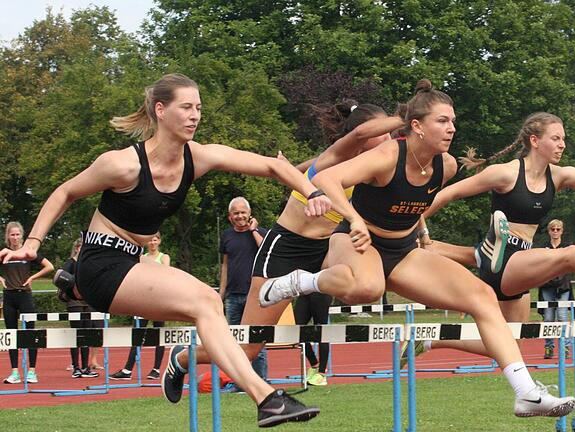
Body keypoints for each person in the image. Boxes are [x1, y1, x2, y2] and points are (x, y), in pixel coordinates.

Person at [0, 73, 331, 427]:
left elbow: (271, 165)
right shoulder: (123, 164)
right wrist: (32, 245)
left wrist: (312, 193)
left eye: (199, 108)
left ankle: (182, 359)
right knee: (206, 300)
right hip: (101, 262)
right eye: (186, 107)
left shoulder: (197, 157)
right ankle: (266, 398)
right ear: (160, 110)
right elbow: (65, 191)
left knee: (206, 307)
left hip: (131, 261)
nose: (195, 116)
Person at [259, 80, 575, 418]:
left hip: (403, 251)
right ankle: (300, 281)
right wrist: (352, 219)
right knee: (367, 288)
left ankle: (526, 392)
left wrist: (422, 233)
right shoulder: (387, 155)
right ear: (416, 127)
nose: (452, 128)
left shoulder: (447, 166)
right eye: (442, 121)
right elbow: (326, 179)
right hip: (358, 239)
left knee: (482, 296)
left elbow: (414, 205)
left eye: (453, 121)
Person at [169, 99, 404, 390]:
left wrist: (289, 169)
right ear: (366, 133)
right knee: (248, 348)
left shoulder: (372, 169)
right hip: (286, 248)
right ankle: (181, 358)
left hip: (327, 250)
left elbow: (303, 168)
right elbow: (351, 139)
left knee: (364, 282)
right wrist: (405, 117)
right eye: (386, 132)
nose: (391, 139)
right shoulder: (340, 153)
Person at [412, 111, 575, 361]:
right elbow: (446, 195)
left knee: (508, 344)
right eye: (556, 138)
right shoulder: (505, 173)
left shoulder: (558, 175)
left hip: (521, 264)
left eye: (563, 138)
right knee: (568, 255)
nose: (562, 144)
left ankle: (431, 340)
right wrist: (415, 226)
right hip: (502, 260)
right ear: (534, 141)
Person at [219, 197, 268, 382]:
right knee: (235, 343)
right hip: (233, 295)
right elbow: (225, 265)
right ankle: (241, 382)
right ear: (230, 216)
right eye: (236, 213)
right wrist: (221, 294)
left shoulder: (261, 233)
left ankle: (261, 381)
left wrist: (254, 230)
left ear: (249, 213)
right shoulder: (226, 236)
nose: (240, 216)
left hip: (255, 296)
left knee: (256, 343)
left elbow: (266, 251)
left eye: (243, 212)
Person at [109, 232, 171, 381]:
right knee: (138, 335)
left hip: (159, 301)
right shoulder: (141, 256)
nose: (152, 242)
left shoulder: (163, 257)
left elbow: (166, 274)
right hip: (143, 301)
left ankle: (156, 369)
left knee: (159, 335)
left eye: (155, 240)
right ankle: (127, 369)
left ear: (159, 241)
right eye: (150, 240)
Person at [1, 222, 54, 384]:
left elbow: (49, 266)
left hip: (25, 296)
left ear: (22, 236)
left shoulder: (28, 252)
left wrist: (32, 277)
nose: (15, 237)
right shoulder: (4, 253)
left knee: (31, 334)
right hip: (9, 297)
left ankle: (32, 371)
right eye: (12, 234)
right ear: (8, 236)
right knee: (11, 334)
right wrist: (1, 278)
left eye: (18, 234)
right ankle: (15, 372)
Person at [59, 238, 100, 378]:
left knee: (86, 334)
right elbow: (60, 279)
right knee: (76, 334)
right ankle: (76, 367)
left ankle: (85, 367)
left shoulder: (87, 264)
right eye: (82, 247)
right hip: (74, 303)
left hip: (87, 302)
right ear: (77, 248)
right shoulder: (70, 263)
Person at [537, 219, 575, 359]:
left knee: (562, 316)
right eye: (552, 229)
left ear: (562, 231)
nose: (555, 231)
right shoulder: (543, 248)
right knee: (548, 318)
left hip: (563, 286)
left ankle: (566, 347)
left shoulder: (567, 247)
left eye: (558, 229)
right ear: (548, 231)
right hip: (547, 286)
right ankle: (549, 347)